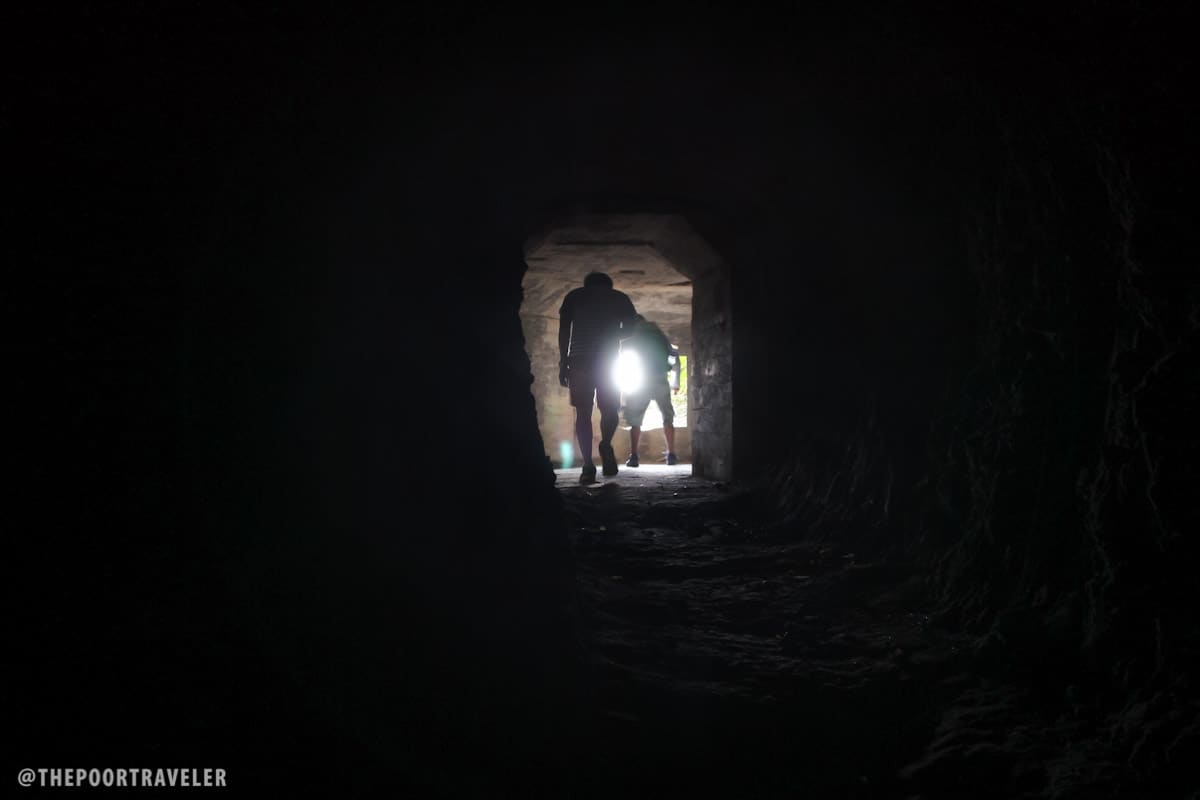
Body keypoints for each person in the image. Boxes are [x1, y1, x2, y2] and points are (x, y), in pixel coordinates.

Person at [559, 272, 639, 483]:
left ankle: (587, 465)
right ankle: (605, 445)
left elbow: (564, 330)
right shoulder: (618, 298)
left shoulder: (574, 296)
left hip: (579, 360)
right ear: (608, 285)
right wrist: (613, 335)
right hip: (608, 361)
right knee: (609, 409)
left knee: (583, 412)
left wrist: (562, 362)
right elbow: (631, 327)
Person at [620, 315, 681, 467]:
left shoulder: (633, 337)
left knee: (635, 419)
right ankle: (671, 455)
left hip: (642, 381)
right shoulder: (658, 335)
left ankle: (634, 456)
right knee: (668, 417)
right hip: (660, 379)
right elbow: (674, 355)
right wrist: (675, 381)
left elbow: (625, 360)